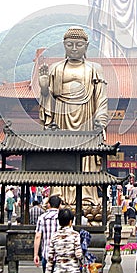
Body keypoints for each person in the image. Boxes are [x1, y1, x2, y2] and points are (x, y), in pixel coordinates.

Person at [38, 26, 108, 205]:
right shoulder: (56, 68)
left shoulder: (95, 68)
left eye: (79, 44)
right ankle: (58, 196)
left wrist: (100, 118)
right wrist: (44, 88)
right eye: (70, 44)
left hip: (85, 115)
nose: (74, 48)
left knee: (85, 156)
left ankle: (85, 196)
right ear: (64, 45)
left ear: (86, 46)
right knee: (62, 154)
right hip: (62, 114)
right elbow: (49, 97)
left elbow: (100, 95)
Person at [44, 208, 82, 273]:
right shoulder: (75, 235)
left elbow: (50, 260)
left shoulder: (55, 236)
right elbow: (79, 255)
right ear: (70, 221)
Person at [34, 195, 62, 273]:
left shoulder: (42, 218)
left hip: (46, 254)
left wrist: (36, 254)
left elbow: (38, 236)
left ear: (48, 205)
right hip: (60, 255)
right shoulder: (62, 217)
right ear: (60, 205)